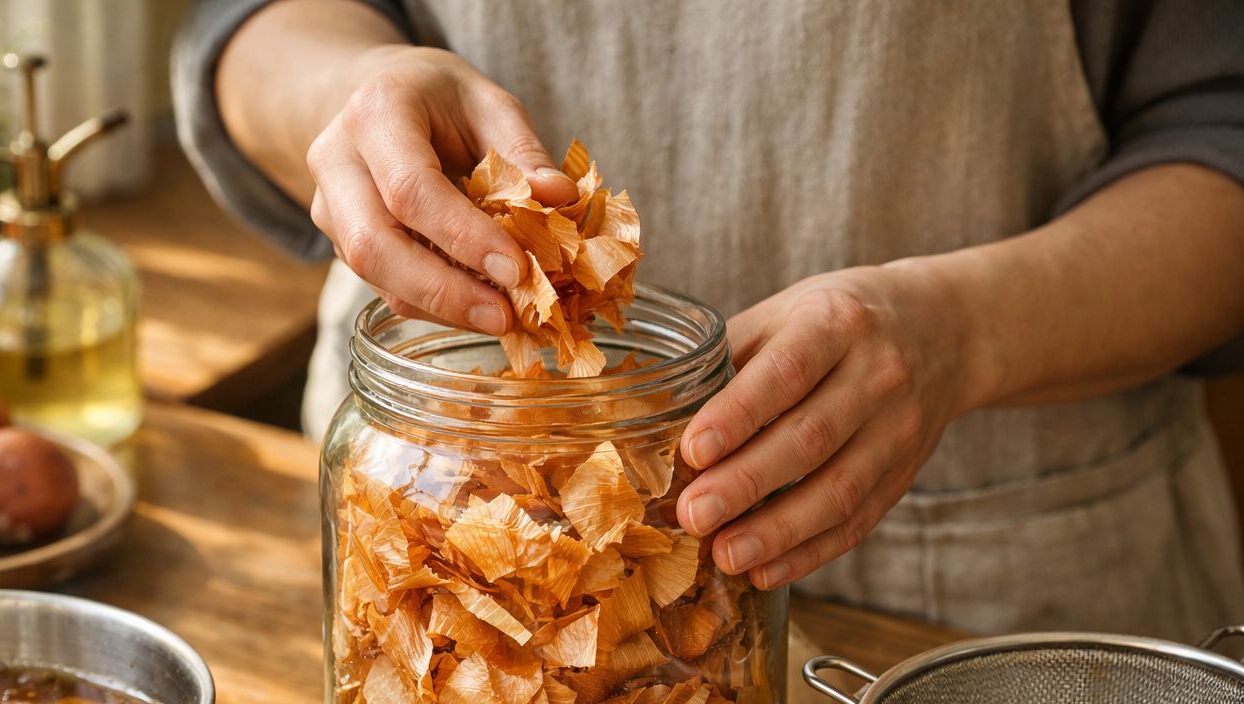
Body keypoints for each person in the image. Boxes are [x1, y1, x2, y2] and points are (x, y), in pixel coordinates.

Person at [173, 0, 1244, 642]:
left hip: (1010, 599)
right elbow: (249, 21)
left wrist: (965, 332)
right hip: (436, 481)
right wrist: (351, 88)